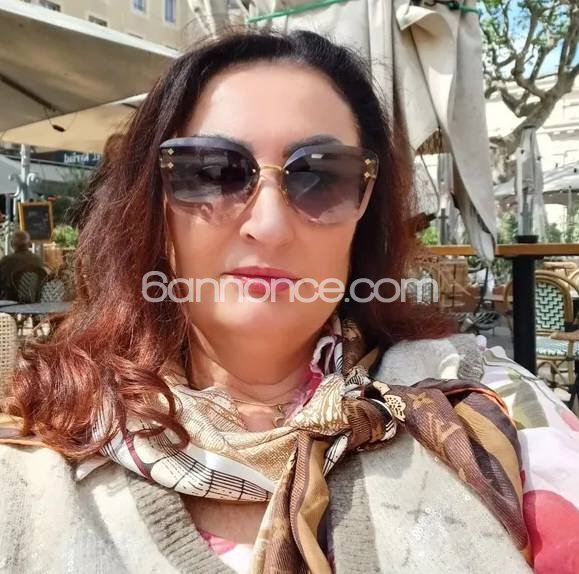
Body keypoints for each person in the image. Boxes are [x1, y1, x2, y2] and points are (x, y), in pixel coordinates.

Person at [0, 30, 577, 574]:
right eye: (212, 172)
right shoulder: (38, 462)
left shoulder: (492, 411)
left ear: (366, 208)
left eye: (322, 177)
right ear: (151, 204)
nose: (270, 226)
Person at [0, 230, 47, 300]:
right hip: (35, 301)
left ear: (12, 244)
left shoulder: (6, 261)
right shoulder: (38, 260)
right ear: (30, 244)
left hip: (11, 301)